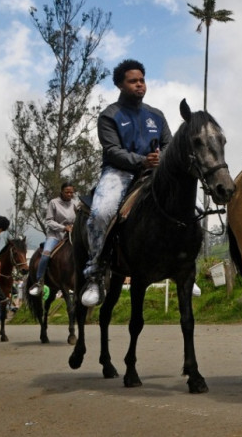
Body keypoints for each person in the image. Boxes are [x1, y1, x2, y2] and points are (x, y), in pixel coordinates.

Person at [81, 59, 172, 307]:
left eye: (142, 80)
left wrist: (160, 158)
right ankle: (95, 272)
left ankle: (182, 265)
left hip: (155, 171)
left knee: (188, 206)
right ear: (120, 85)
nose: (140, 85)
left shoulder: (157, 115)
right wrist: (142, 160)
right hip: (118, 172)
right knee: (100, 213)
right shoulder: (109, 115)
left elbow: (168, 145)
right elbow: (112, 151)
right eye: (133, 81)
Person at [30, 182, 77, 296]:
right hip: (55, 236)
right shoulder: (54, 203)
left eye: (71, 192)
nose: (69, 194)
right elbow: (49, 221)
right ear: (61, 192)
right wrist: (63, 227)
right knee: (46, 254)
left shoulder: (75, 204)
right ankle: (39, 281)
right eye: (67, 192)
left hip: (71, 236)